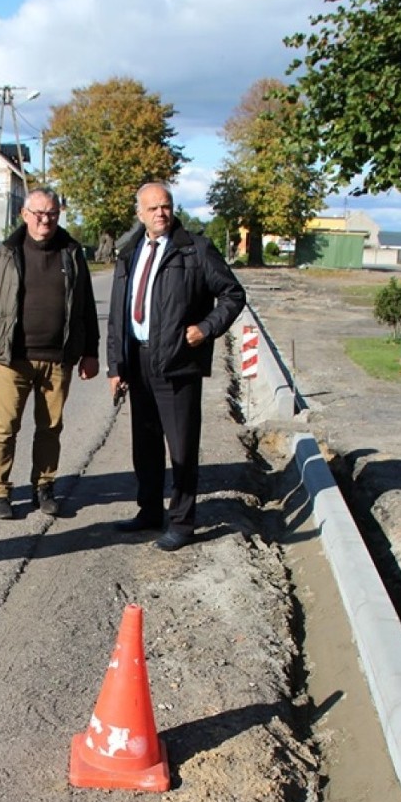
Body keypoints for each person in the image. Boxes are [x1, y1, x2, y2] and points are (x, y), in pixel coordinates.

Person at [107, 182, 245, 551]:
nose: (160, 214)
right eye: (152, 208)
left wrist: (207, 328)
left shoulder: (194, 249)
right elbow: (119, 314)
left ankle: (182, 523)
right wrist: (115, 366)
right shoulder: (130, 252)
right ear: (139, 214)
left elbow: (233, 294)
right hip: (138, 360)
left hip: (178, 362)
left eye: (165, 206)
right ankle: (149, 511)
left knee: (181, 447)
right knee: (145, 445)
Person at [0, 186, 100, 519]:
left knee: (50, 428)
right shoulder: (5, 252)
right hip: (12, 358)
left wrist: (91, 351)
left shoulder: (72, 252)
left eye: (53, 214)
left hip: (58, 358)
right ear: (25, 215)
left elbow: (86, 305)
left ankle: (43, 487)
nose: (46, 220)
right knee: (5, 426)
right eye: (40, 213)